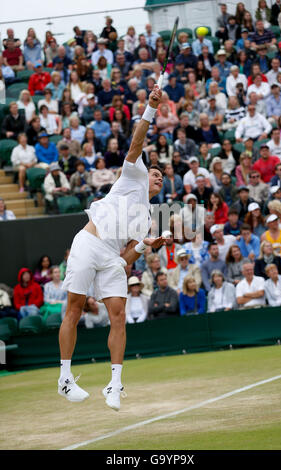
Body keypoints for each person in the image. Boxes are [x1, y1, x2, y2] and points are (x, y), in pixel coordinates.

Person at [58, 86, 165, 410]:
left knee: (118, 316)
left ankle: (115, 385)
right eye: (156, 173)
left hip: (110, 258)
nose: (159, 178)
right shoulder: (135, 173)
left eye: (162, 177)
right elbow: (136, 143)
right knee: (74, 307)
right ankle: (65, 379)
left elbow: (126, 258)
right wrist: (150, 108)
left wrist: (148, 246)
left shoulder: (147, 217)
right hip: (89, 242)